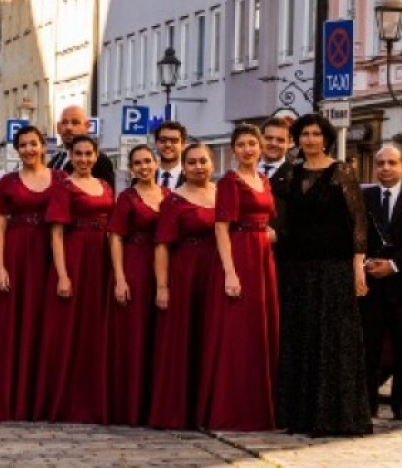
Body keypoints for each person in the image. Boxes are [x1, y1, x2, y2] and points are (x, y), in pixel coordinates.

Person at [275, 113, 372, 436]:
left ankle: (335, 416)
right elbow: (280, 219)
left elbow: (358, 222)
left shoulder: (341, 171)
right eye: (304, 134)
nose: (310, 140)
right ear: (297, 139)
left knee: (332, 341)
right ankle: (300, 415)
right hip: (298, 269)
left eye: (316, 134)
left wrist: (357, 267)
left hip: (333, 269)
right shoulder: (290, 173)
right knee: (302, 339)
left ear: (326, 138)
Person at [0, 125, 59, 422]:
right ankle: (12, 396)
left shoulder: (60, 179)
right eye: (22, 145)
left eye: (33, 144)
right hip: (17, 252)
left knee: (46, 323)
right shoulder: (8, 182)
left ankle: (42, 398)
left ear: (44, 146)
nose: (28, 150)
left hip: (51, 252)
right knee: (14, 322)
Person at [203, 124, 279, 431]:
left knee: (260, 330)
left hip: (263, 257)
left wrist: (269, 234)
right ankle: (232, 408)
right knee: (238, 334)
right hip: (240, 256)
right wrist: (230, 272)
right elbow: (221, 228)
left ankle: (260, 406)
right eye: (242, 145)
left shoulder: (263, 180)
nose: (248, 149)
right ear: (233, 150)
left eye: (252, 143)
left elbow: (266, 219)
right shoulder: (230, 182)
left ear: (260, 147)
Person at [38, 135, 113, 424]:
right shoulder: (64, 187)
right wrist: (62, 274)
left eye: (88, 154)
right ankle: (65, 399)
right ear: (70, 156)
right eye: (78, 154)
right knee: (68, 328)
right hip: (75, 256)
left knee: (95, 327)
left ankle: (93, 397)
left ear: (96, 156)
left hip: (101, 259)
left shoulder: (105, 186)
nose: (83, 159)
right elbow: (56, 233)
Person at [148, 142, 218, 431]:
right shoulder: (173, 200)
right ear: (184, 166)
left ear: (212, 164)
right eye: (192, 162)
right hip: (186, 271)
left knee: (212, 337)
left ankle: (210, 407)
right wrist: (162, 286)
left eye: (203, 161)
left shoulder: (223, 194)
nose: (198, 166)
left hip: (216, 270)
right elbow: (162, 246)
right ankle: (180, 409)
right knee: (184, 338)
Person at [362, 146, 402, 421]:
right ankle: (367, 403)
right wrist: (366, 263)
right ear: (375, 168)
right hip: (371, 285)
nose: (385, 168)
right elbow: (356, 236)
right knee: (370, 348)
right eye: (380, 163)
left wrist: (392, 265)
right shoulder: (365, 198)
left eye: (391, 163)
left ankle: (401, 403)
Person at [106, 144, 163, 426]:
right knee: (134, 334)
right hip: (135, 265)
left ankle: (156, 402)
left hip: (163, 267)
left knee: (159, 335)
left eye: (147, 161)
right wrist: (120, 277)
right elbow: (115, 236)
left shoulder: (168, 196)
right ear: (131, 168)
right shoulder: (127, 198)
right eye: (137, 163)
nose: (143, 167)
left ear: (156, 164)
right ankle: (130, 404)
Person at [48, 105, 116, 186]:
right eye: (64, 122)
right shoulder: (55, 160)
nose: (68, 127)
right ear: (58, 128)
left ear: (87, 127)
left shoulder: (100, 161)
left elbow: (107, 195)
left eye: (75, 123)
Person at [260, 117, 293, 187]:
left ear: (289, 143)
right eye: (269, 138)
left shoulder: (297, 176)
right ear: (260, 139)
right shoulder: (244, 172)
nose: (274, 144)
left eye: (280, 140)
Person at [152, 121, 186, 190]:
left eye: (174, 141)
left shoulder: (191, 178)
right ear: (156, 143)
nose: (168, 145)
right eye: (163, 140)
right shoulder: (146, 176)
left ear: (182, 145)